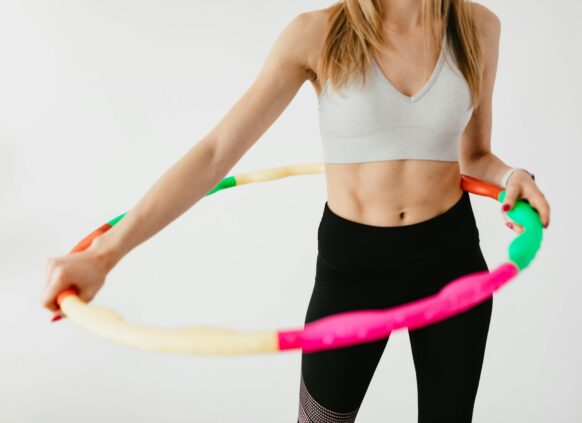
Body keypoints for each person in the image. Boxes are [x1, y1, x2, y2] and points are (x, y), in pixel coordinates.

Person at [42, 0, 551, 421]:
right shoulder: (318, 33)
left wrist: (512, 177)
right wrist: (104, 255)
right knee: (320, 421)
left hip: (450, 258)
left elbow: (476, 154)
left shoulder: (479, 26)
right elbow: (217, 152)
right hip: (354, 268)